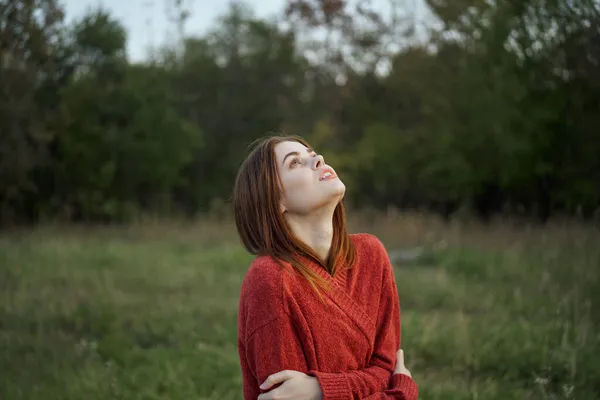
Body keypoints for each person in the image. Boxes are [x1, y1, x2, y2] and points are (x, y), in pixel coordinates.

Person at [233, 134, 418, 400]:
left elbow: (386, 369)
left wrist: (322, 389)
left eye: (312, 154)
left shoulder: (371, 255)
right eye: (295, 162)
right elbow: (391, 382)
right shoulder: (271, 280)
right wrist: (401, 394)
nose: (318, 159)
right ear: (274, 200)